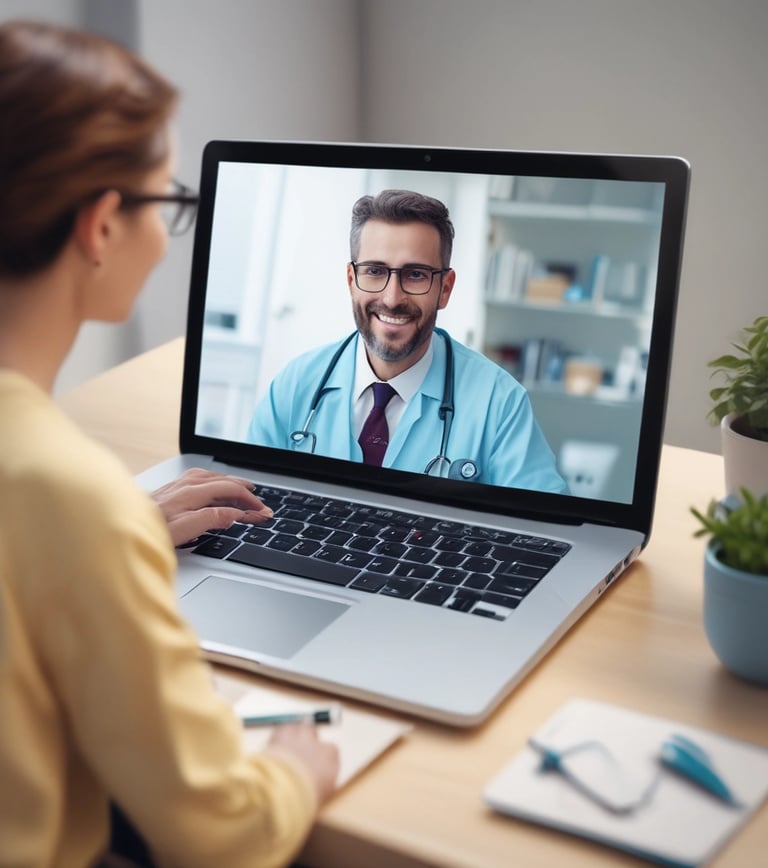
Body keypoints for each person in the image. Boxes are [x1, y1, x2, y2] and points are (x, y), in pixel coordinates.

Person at [0, 19, 338, 868]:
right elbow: (219, 838)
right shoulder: (69, 497)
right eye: (169, 202)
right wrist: (297, 772)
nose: (168, 234)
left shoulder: (62, 506)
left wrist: (101, 549)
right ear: (102, 225)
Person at [247, 189, 567, 492]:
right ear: (351, 280)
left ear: (445, 289)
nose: (392, 298)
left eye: (415, 275)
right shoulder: (295, 385)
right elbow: (246, 501)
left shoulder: (500, 404)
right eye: (374, 270)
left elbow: (549, 528)